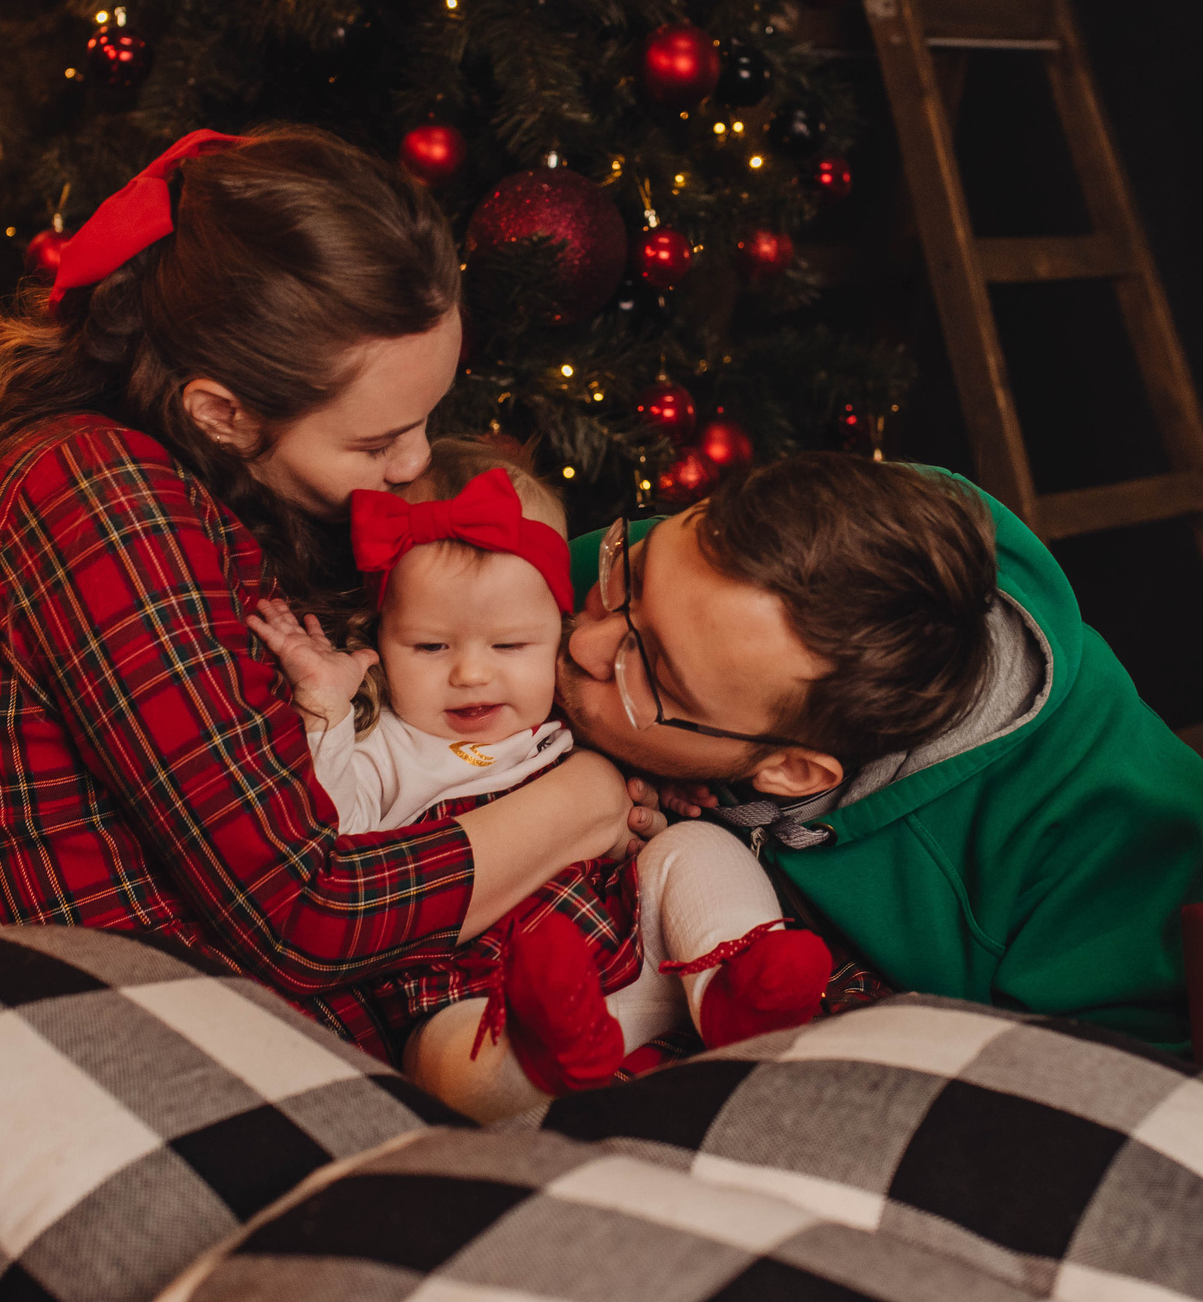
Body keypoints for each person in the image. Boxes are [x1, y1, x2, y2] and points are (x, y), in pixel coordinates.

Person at [0, 125, 666, 1065]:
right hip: (187, 1051)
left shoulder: (235, 489)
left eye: (427, 419)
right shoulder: (93, 494)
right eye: (376, 442)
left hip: (353, 1018)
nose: (413, 466)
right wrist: (585, 800)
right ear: (221, 413)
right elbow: (305, 914)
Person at [558, 452, 1203, 1050]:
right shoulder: (715, 580)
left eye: (651, 670)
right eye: (634, 572)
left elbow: (1068, 1112)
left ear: (792, 770)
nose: (583, 642)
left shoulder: (1112, 828)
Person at [249, 439, 832, 1115]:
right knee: (438, 1057)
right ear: (379, 638)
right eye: (430, 646)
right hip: (477, 988)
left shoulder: (569, 715)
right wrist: (322, 709)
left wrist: (664, 793)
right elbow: (336, 833)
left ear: (555, 635)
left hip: (637, 940)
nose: (471, 673)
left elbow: (644, 781)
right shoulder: (384, 745)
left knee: (701, 851)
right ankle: (547, 1059)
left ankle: (736, 985)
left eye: (510, 645)